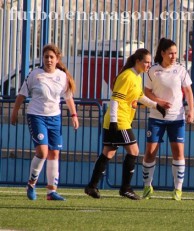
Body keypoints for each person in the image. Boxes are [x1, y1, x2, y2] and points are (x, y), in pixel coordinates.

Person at [84, 48, 170, 200]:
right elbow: (115, 100)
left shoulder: (137, 76)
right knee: (134, 151)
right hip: (119, 120)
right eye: (146, 62)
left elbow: (141, 97)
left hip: (119, 120)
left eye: (150, 62)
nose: (148, 65)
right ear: (138, 61)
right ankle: (126, 188)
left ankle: (92, 186)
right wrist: (113, 122)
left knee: (108, 153)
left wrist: (157, 106)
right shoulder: (127, 76)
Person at [10, 44, 79, 201]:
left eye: (51, 57)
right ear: (43, 58)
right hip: (36, 116)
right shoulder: (35, 74)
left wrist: (74, 115)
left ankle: (51, 192)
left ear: (57, 59)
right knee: (42, 152)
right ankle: (31, 184)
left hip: (54, 118)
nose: (48, 60)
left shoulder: (62, 76)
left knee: (55, 152)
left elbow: (68, 97)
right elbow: (21, 95)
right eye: (46, 57)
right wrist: (14, 112)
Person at [141, 38, 194, 201]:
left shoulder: (181, 70)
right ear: (162, 53)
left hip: (176, 118)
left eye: (175, 53)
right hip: (156, 117)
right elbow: (146, 92)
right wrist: (159, 102)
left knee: (178, 152)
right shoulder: (153, 70)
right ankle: (147, 186)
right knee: (150, 153)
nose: (173, 56)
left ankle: (178, 189)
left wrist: (190, 110)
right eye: (170, 53)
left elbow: (188, 92)